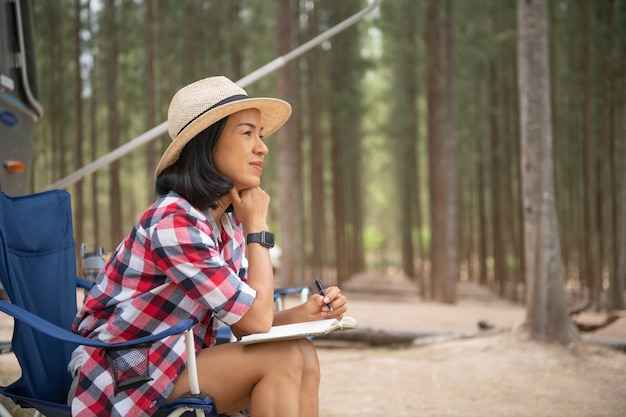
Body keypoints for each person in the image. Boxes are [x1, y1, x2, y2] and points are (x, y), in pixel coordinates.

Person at [68, 76, 348, 417]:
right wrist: (258, 227)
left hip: (176, 361)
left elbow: (246, 321)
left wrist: (306, 315)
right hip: (125, 374)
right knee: (284, 356)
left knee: (300, 351)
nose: (262, 147)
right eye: (248, 133)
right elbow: (255, 324)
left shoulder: (222, 223)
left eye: (260, 135)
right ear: (208, 143)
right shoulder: (175, 220)